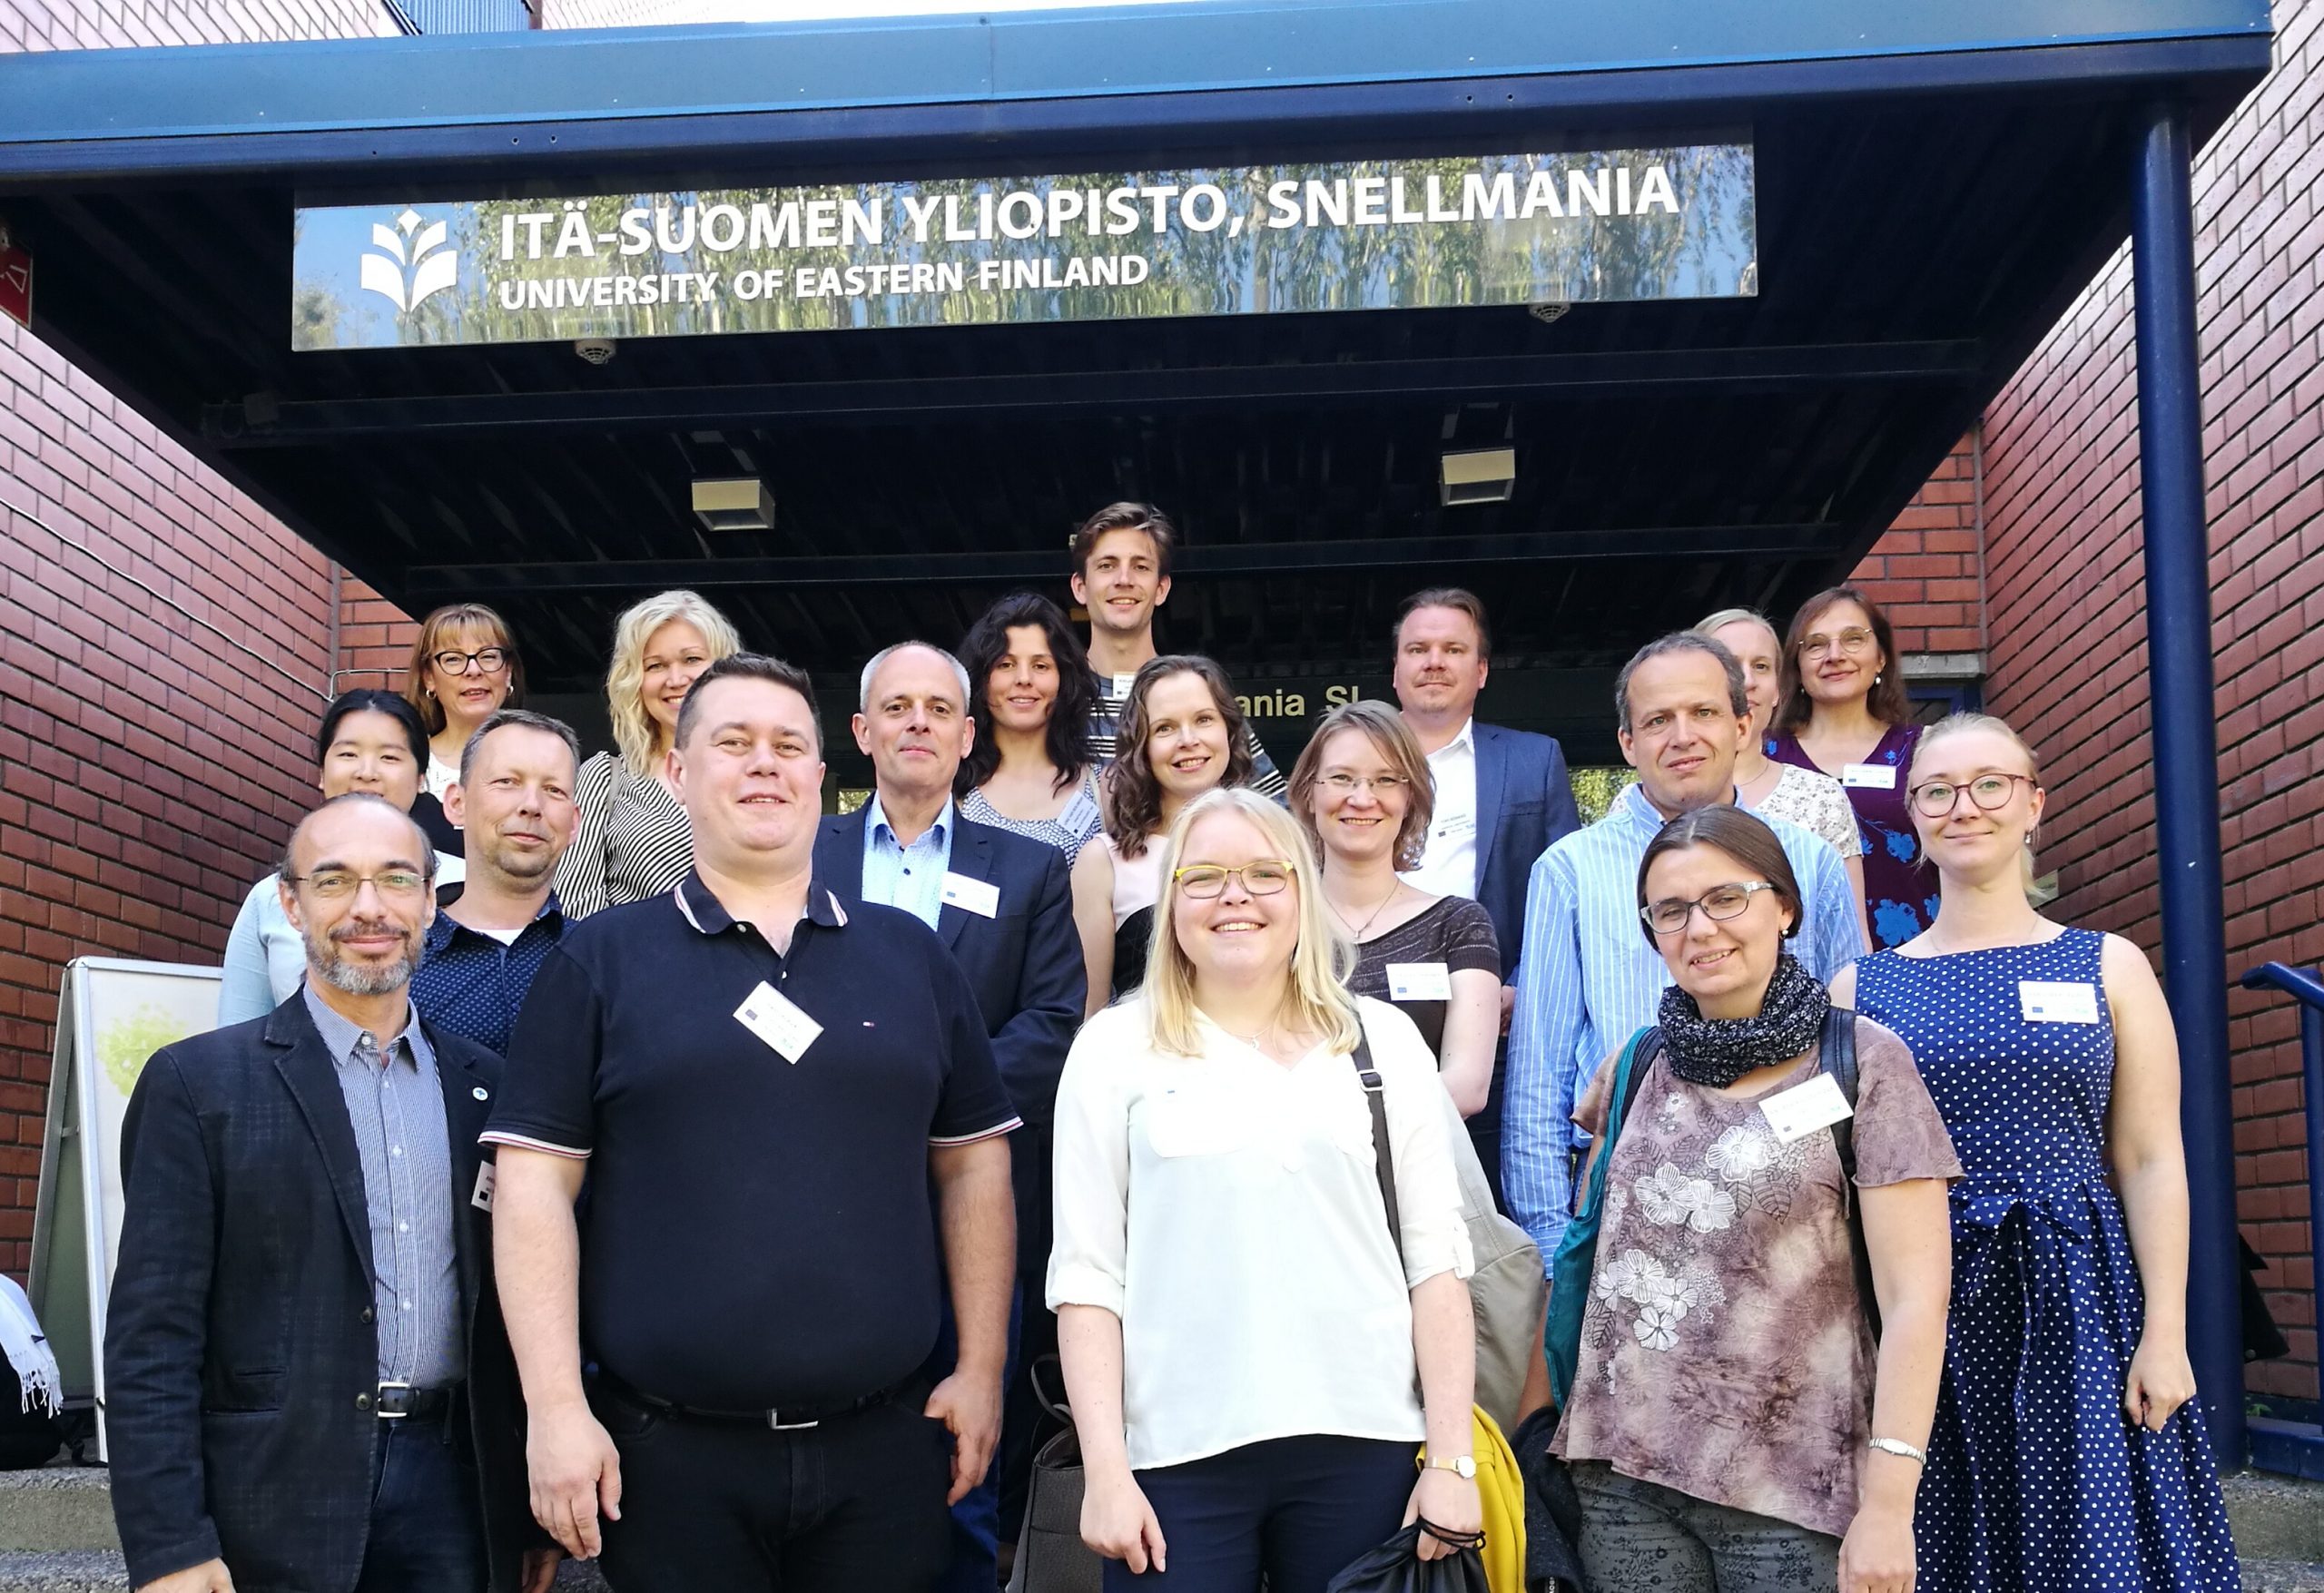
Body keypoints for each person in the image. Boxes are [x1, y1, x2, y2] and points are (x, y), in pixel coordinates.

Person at [486, 654, 1021, 1593]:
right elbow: (534, 1188)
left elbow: (974, 1168)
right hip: (669, 1460)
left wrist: (980, 1371)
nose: (764, 765)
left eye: (788, 746)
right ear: (678, 774)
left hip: (886, 1453)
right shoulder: (598, 961)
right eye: (732, 744)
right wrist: (556, 1407)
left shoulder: (912, 958)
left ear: (823, 776)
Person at [1839, 713, 2242, 1591]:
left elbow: (2148, 1158)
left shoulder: (2109, 966)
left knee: (2089, 1534)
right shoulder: (1861, 984)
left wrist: (2166, 1333)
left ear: (2033, 805)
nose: (1963, 807)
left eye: (1990, 784)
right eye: (1937, 791)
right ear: (1912, 815)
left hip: (2078, 1296)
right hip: (1920, 1297)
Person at [108, 793, 546, 1593]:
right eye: (336, 880)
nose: (369, 908)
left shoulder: (487, 1085)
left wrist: (518, 1512)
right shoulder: (198, 1083)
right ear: (291, 902)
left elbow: (510, 1316)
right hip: (270, 1498)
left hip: (455, 1492)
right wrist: (168, 1541)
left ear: (430, 901)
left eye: (396, 880)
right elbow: (151, 1341)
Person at [1049, 788, 1478, 1591]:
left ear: (1303, 892)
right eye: (1204, 875)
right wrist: (1105, 1469)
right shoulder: (1113, 1049)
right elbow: (1086, 1278)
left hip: (1368, 1443)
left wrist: (1451, 1457)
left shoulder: (1378, 1040)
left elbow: (1437, 1262)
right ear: (1171, 899)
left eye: (1262, 872)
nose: (1234, 895)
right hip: (1175, 1455)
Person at [1552, 804, 1958, 1593]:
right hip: (1618, 1473)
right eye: (1671, 910)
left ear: (1784, 906)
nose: (1699, 927)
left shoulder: (1865, 1062)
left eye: (1725, 897)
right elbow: (1590, 1254)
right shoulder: (1636, 1064)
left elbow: (1919, 1300)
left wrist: (1889, 1504)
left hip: (1792, 1482)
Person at [813, 640, 1085, 1593]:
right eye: (897, 707)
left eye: (938, 708)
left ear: (968, 735)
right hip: (817, 1209)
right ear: (861, 731)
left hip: (973, 1210)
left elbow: (1054, 1028)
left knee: (962, 1448)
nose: (917, 722)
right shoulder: (800, 854)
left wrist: (925, 1106)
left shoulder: (1029, 870)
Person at [1503, 632, 1866, 1261]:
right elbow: (1541, 1064)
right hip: (1624, 1204)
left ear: (1743, 723)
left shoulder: (1808, 860)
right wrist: (1548, 1239)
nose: (1682, 735)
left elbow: (1849, 1036)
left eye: (1703, 712)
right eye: (1657, 720)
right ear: (1628, 743)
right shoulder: (1571, 869)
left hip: (1795, 1209)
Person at [1392, 587, 1581, 1200]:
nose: (1434, 661)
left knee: (1483, 1201)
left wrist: (1525, 982)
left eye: (1453, 649)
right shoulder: (1352, 757)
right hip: (1367, 1008)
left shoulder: (1533, 760)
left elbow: (1562, 891)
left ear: (1480, 670)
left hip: (1492, 1022)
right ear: (1395, 669)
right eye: (1418, 648)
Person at [1290, 701, 1500, 1117]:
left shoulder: (1460, 926)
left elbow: (1467, 1085)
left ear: (1410, 799)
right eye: (1341, 778)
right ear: (1310, 794)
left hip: (1416, 1172)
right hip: (1294, 1172)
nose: (1362, 798)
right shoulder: (1276, 921)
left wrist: (1350, 1131)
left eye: (1385, 779)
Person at [217, 690, 464, 1026]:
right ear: (321, 772)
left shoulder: (467, 885)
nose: (366, 772)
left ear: (422, 779)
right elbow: (239, 1030)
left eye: (389, 758)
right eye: (348, 754)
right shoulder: (271, 896)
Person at [954, 592, 1116, 1017]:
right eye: (1005, 665)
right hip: (968, 1022)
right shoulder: (950, 793)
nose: (1023, 679)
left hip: (1078, 1021)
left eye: (1041, 666)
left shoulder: (1103, 791)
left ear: (1064, 679)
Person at [1068, 501, 1286, 798]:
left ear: (1161, 589)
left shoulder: (1197, 693)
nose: (1124, 580)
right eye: (1107, 566)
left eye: (1140, 567)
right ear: (1080, 587)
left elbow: (1276, 813)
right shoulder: (1051, 695)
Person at [553, 588, 741, 919]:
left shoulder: (757, 772)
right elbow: (574, 907)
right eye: (655, 666)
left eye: (692, 660)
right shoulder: (603, 778)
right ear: (635, 681)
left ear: (725, 667)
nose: (676, 678)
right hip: (633, 967)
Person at [1768, 586, 1934, 949]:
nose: (1835, 655)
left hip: (1914, 960)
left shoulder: (1926, 751)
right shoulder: (1762, 756)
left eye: (1853, 639)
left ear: (1881, 657)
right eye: (1815, 645)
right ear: (1796, 665)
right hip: (1795, 965)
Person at [1085, 654, 1255, 1001]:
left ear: (1229, 730)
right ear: (1141, 747)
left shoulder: (1272, 847)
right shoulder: (1104, 862)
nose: (1188, 739)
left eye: (1204, 719)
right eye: (1165, 728)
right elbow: (1090, 1012)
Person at [409, 710, 580, 1055]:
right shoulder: (399, 960)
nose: (532, 805)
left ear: (574, 822)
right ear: (457, 803)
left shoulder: (601, 961)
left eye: (553, 790)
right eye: (507, 782)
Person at [1700, 605, 1871, 947]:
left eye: (1761, 667)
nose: (1747, 680)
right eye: (1730, 665)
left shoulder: (1821, 796)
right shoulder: (1656, 799)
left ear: (1777, 689)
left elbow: (1852, 942)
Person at [404, 603, 526, 854]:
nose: (473, 670)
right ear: (428, 677)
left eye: (488, 656)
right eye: (453, 659)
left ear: (508, 671)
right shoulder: (407, 762)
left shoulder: (544, 760)